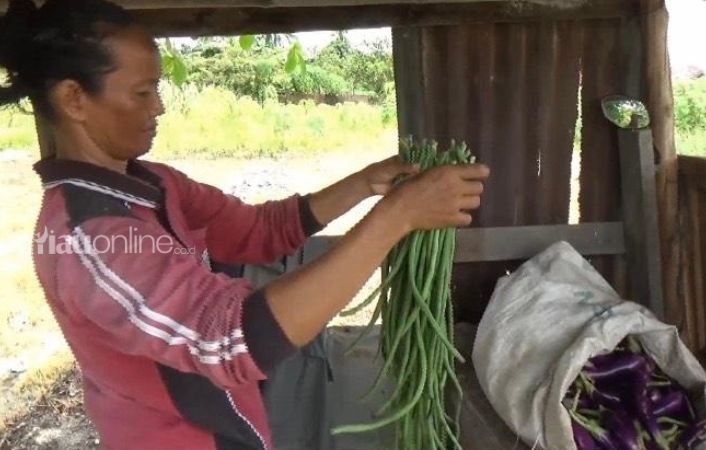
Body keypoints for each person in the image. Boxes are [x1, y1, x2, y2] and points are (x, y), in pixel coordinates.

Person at [0, 1, 490, 449]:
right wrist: (397, 217)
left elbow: (258, 231)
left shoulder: (154, 184)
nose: (159, 107)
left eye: (159, 89)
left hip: (234, 428)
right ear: (74, 100)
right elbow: (230, 339)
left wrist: (365, 184)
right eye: (143, 92)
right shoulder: (87, 239)